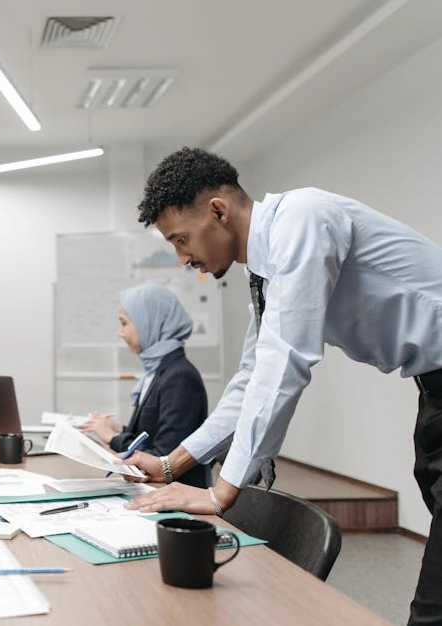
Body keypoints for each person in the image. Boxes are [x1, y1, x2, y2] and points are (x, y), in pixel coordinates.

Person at [121, 147, 442, 625]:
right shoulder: (266, 269)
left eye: (181, 239)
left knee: (432, 606)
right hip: (433, 386)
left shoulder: (303, 219)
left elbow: (285, 360)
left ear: (217, 211)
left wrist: (219, 492)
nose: (183, 257)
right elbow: (252, 375)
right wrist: (174, 464)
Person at [79, 284, 210, 487]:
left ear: (149, 323)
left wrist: (113, 437)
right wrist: (119, 429)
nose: (119, 333)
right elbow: (153, 435)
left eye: (124, 323)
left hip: (173, 495)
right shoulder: (160, 370)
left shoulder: (180, 378)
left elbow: (163, 458)